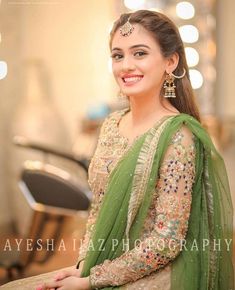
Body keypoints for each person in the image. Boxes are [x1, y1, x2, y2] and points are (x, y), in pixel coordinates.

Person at [3, 9, 233, 290]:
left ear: (170, 62)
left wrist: (92, 281)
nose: (126, 65)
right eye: (118, 55)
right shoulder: (112, 124)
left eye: (139, 53)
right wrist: (82, 267)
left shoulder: (179, 136)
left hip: (154, 275)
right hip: (100, 264)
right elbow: (98, 210)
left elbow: (166, 241)